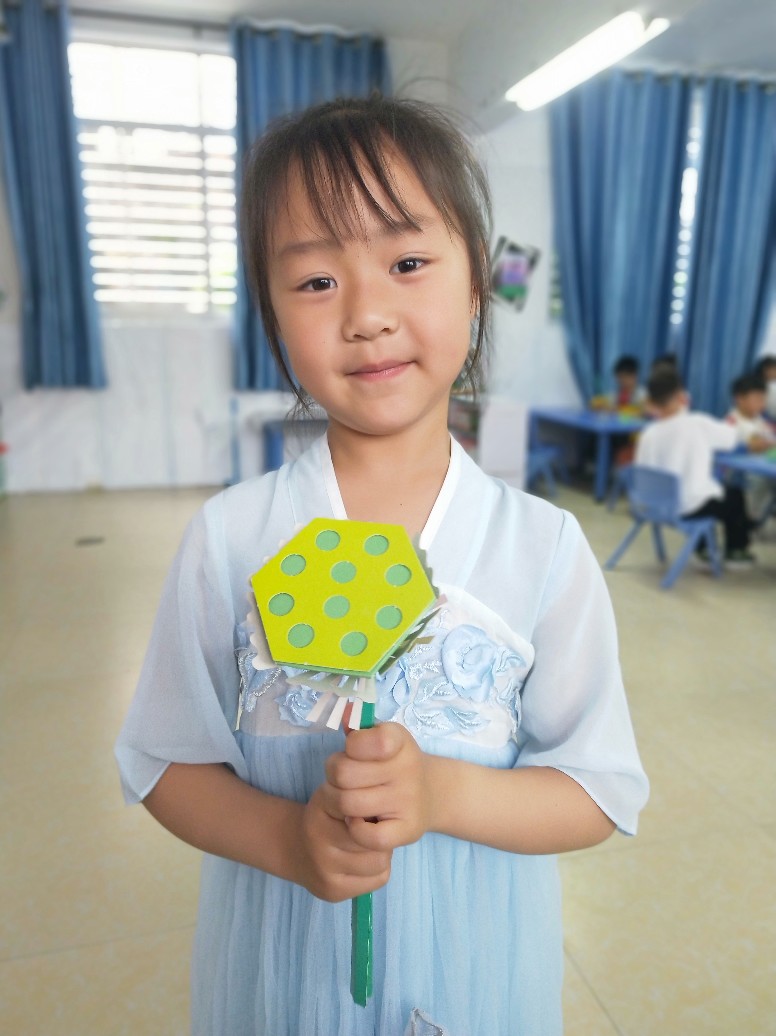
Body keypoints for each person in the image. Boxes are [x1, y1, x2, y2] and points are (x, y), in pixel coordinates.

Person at [115, 96, 648, 1036]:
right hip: (285, 978)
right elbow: (165, 761)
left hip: (479, 974)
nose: (366, 316)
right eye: (316, 280)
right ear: (272, 316)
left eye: (407, 264)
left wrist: (444, 792)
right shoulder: (231, 538)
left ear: (476, 283)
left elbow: (596, 789)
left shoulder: (544, 549)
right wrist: (288, 839)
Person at [636, 367, 755, 565]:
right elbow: (732, 437)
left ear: (651, 401)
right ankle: (735, 551)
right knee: (734, 496)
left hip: (654, 505)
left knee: (706, 494)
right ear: (680, 395)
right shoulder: (697, 423)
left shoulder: (648, 433)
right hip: (688, 507)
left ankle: (703, 548)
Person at [725, 372, 776, 524]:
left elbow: (770, 438)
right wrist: (759, 446)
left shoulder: (759, 420)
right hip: (743, 477)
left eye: (763, 399)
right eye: (757, 399)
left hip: (765, 470)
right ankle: (753, 519)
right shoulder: (732, 422)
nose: (762, 404)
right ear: (740, 399)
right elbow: (735, 450)